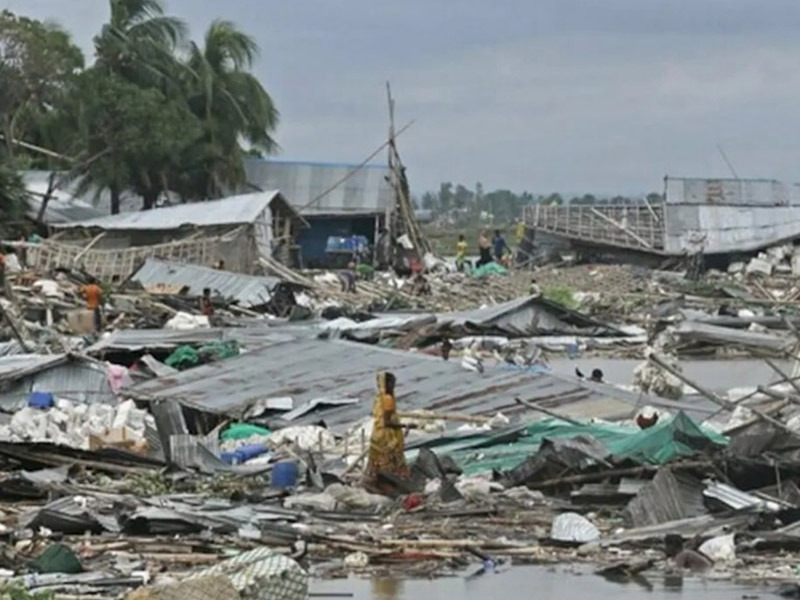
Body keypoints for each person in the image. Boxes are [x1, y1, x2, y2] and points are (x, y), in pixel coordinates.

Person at [364, 372, 411, 494]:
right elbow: (387, 422)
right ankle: (390, 486)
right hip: (387, 436)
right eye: (390, 383)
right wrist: (404, 425)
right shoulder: (388, 399)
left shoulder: (378, 398)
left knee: (377, 461)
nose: (392, 386)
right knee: (391, 461)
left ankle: (376, 483)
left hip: (377, 434)